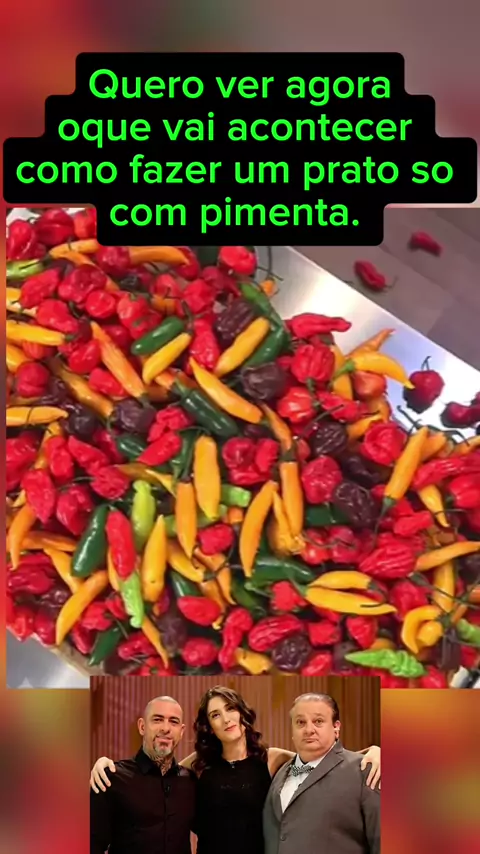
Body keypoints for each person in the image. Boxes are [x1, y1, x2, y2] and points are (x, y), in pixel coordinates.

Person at [91, 686, 381, 854]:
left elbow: (324, 761)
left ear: (242, 713)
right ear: (210, 726)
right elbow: (158, 772)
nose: (226, 719)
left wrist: (373, 752)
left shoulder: (272, 759)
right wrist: (106, 764)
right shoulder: (198, 765)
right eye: (215, 715)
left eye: (230, 709)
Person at [263, 693, 380, 854]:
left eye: (318, 721)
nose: (308, 730)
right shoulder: (279, 769)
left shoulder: (366, 769)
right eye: (300, 722)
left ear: (336, 727)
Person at [90, 695, 196, 854]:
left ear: (181, 732)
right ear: (142, 727)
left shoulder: (190, 782)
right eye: (157, 720)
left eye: (173, 722)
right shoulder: (111, 778)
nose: (165, 728)